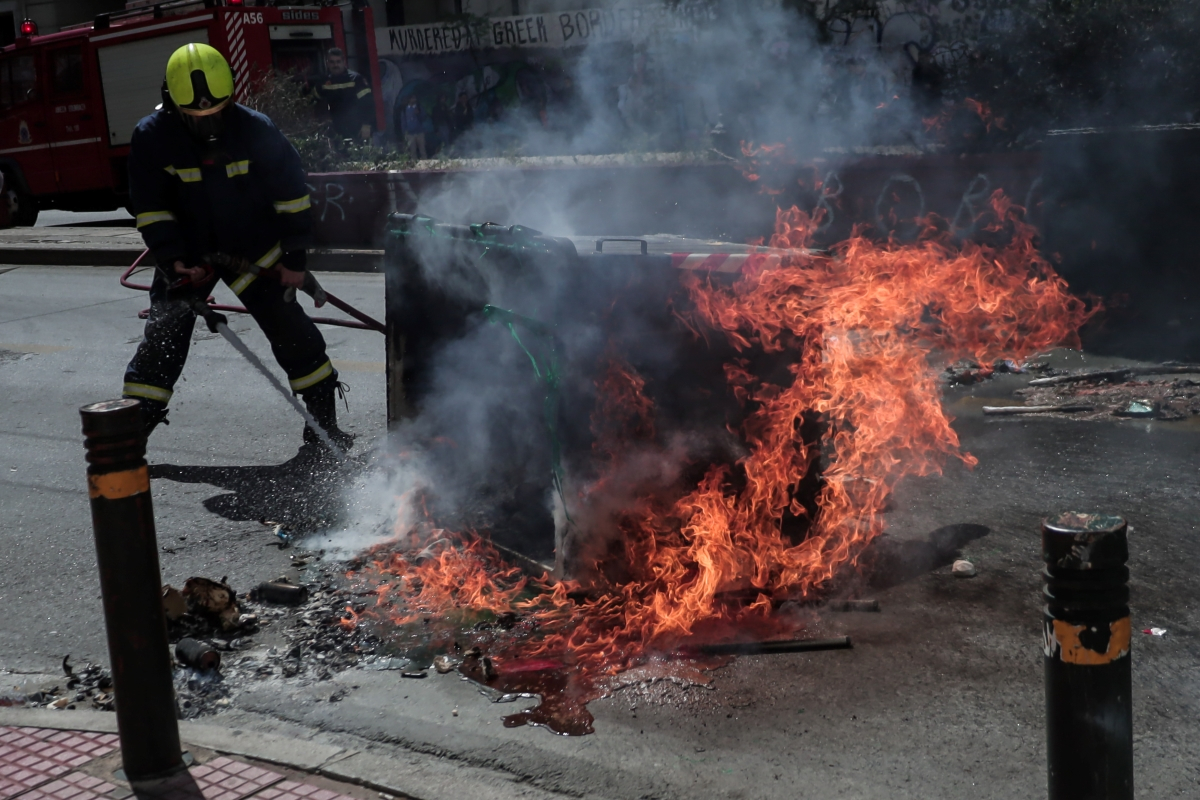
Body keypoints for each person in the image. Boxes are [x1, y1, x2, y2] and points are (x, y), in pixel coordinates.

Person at [122, 43, 353, 454]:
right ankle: (130, 432)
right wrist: (173, 262)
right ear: (171, 104)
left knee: (290, 329)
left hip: (253, 248)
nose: (210, 124)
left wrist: (295, 261)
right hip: (187, 254)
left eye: (218, 112)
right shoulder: (152, 138)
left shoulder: (255, 128)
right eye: (198, 117)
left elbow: (292, 197)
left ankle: (323, 427)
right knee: (164, 336)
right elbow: (151, 209)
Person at [312, 47, 374, 142]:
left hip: (357, 128)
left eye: (338, 61)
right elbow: (313, 101)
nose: (335, 65)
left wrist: (366, 125)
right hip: (335, 129)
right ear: (327, 63)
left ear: (344, 62)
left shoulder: (356, 79)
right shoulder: (324, 82)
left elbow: (368, 104)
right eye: (332, 62)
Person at [396, 94, 426, 160]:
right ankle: (415, 166)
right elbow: (403, 122)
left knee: (422, 150)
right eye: (412, 98)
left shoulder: (419, 108)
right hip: (410, 134)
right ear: (409, 100)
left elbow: (423, 118)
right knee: (413, 151)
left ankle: (425, 164)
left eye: (415, 98)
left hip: (419, 132)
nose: (414, 100)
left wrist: (418, 113)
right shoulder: (404, 109)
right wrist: (405, 133)